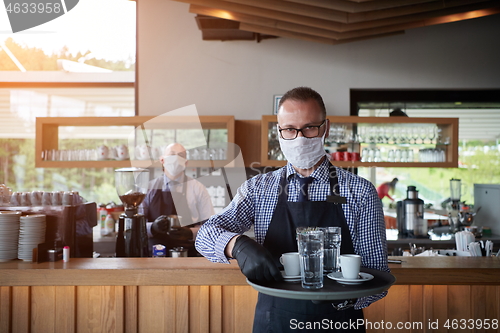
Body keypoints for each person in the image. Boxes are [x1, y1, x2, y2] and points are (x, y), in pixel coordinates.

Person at [195, 87, 389, 332]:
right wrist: (237, 246)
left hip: (339, 320)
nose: (299, 138)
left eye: (309, 127)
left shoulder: (360, 192)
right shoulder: (258, 189)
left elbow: (377, 271)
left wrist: (343, 299)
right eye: (289, 129)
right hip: (274, 320)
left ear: (325, 128)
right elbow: (205, 233)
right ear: (279, 132)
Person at [140, 143, 215, 256]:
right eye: (171, 154)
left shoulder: (198, 188)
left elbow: (211, 227)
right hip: (154, 256)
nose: (175, 158)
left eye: (180, 155)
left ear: (186, 162)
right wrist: (153, 228)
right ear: (162, 160)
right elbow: (135, 226)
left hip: (189, 255)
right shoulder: (148, 188)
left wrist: (190, 233)